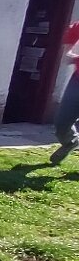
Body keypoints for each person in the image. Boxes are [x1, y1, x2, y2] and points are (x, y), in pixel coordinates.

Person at [51, 19, 79, 165]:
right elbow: (67, 54)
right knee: (62, 123)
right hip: (77, 81)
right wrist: (71, 56)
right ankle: (70, 141)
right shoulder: (77, 26)